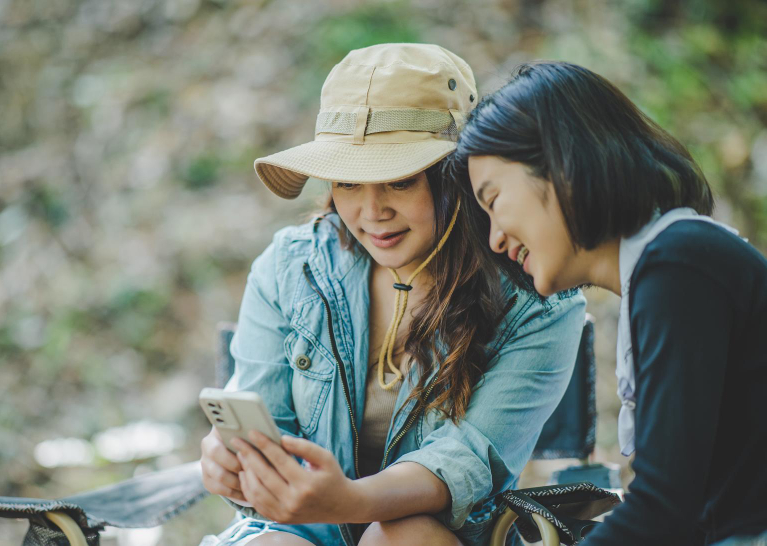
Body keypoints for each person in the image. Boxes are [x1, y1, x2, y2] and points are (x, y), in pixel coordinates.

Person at [198, 44, 587, 546]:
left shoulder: (536, 301)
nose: (371, 211)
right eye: (348, 182)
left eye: (400, 181)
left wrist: (351, 501)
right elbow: (267, 426)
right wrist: (231, 464)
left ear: (458, 177)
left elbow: (465, 460)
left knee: (396, 537)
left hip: (441, 536)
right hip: (300, 533)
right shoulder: (292, 267)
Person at [453, 61, 767, 545]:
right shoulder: (668, 269)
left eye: (493, 201)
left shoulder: (679, 265)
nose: (494, 238)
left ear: (560, 163)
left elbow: (662, 509)